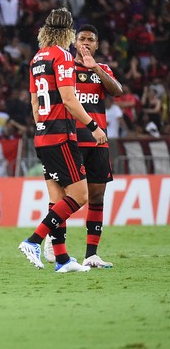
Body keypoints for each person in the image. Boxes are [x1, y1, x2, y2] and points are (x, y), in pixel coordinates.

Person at [18, 9, 106, 273]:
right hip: (60, 135)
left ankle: (63, 259)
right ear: (68, 32)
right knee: (80, 195)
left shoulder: (37, 58)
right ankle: (33, 240)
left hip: (43, 134)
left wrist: (43, 125)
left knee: (57, 199)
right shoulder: (63, 56)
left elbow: (34, 103)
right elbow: (69, 100)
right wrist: (93, 126)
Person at [42, 24, 122, 269]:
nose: (86, 43)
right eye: (82, 39)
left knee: (97, 196)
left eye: (91, 39)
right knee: (66, 196)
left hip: (97, 142)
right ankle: (53, 240)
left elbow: (117, 91)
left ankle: (91, 255)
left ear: (97, 45)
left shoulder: (102, 70)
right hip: (70, 141)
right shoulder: (65, 68)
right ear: (74, 42)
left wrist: (95, 67)